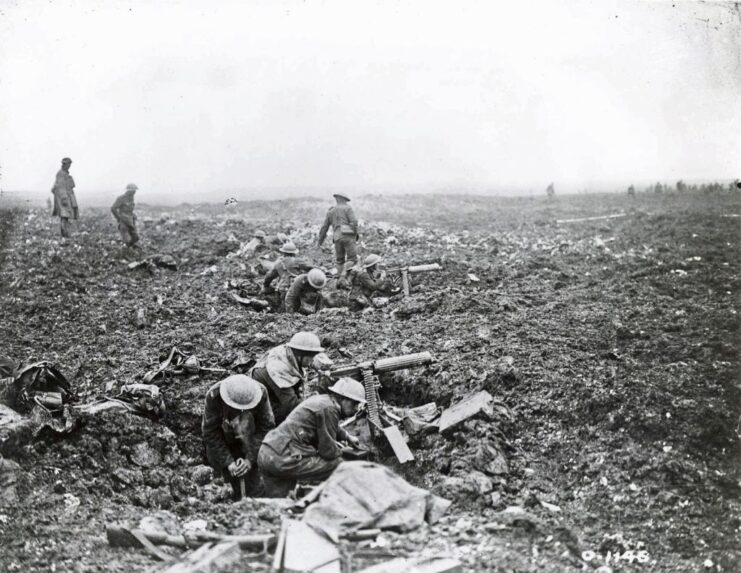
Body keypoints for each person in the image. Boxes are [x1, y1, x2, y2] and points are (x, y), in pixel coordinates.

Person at [258, 377, 364, 497]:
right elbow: (328, 452)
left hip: (267, 452)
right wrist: (343, 452)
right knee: (338, 464)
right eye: (354, 403)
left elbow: (327, 424)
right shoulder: (330, 409)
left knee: (279, 503)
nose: (356, 408)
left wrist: (347, 436)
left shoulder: (323, 401)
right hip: (284, 458)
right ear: (341, 398)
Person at [201, 374, 276, 500]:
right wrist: (228, 462)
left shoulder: (260, 393)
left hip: (250, 439)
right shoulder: (214, 396)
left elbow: (266, 427)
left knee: (255, 485)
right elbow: (210, 432)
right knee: (222, 484)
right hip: (224, 439)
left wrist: (250, 459)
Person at [250, 332, 325, 424]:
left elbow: (310, 360)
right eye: (311, 357)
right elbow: (292, 405)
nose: (312, 361)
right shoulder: (279, 369)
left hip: (273, 386)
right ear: (300, 354)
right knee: (284, 415)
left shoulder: (291, 353)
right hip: (260, 398)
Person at [318, 193, 358, 287]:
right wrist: (354, 234)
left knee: (339, 260)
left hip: (337, 238)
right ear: (344, 200)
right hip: (348, 236)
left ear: (336, 200)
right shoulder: (348, 208)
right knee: (352, 258)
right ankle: (343, 277)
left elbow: (324, 227)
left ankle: (338, 283)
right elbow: (354, 222)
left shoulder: (331, 211)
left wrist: (320, 241)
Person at [261, 242, 313, 310]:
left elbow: (269, 276)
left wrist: (266, 285)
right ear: (294, 253)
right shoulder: (297, 261)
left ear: (283, 252)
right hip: (296, 289)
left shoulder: (278, 263)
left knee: (284, 310)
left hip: (282, 290)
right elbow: (311, 268)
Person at [51, 157, 78, 238]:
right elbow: (60, 187)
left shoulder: (65, 173)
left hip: (66, 197)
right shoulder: (61, 174)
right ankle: (64, 234)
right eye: (68, 164)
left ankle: (65, 233)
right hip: (63, 199)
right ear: (65, 164)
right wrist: (64, 198)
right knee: (64, 216)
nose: (69, 166)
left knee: (66, 216)